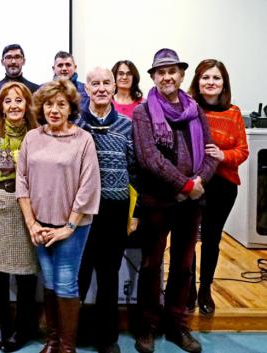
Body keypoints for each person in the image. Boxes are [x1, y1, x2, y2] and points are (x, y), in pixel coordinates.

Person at [132, 49, 218, 353]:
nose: (167, 77)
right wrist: (183, 184)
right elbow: (148, 158)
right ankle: (146, 326)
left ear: (181, 75)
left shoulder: (196, 110)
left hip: (192, 201)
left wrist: (199, 183)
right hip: (158, 201)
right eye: (161, 72)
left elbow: (211, 152)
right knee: (152, 264)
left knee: (183, 266)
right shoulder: (143, 113)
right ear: (154, 77)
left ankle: (176, 325)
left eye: (172, 71)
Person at [16, 79, 101, 353]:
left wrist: (68, 227)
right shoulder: (32, 137)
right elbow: (22, 182)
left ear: (71, 108)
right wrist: (31, 223)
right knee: (50, 281)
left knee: (66, 281)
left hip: (72, 227)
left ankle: (67, 347)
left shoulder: (83, 139)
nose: (54, 110)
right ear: (42, 107)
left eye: (61, 104)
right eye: (50, 104)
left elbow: (89, 185)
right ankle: (52, 342)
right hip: (39, 225)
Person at [0, 82, 39, 352]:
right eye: (8, 101)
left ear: (27, 104)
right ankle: (3, 325)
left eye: (19, 100)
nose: (13, 105)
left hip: (30, 207)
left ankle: (24, 327)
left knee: (26, 272)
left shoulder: (37, 134)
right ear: (0, 106)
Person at [76, 67, 136, 353]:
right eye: (94, 83)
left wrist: (134, 214)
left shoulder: (127, 125)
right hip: (82, 210)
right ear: (85, 88)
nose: (100, 88)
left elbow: (135, 169)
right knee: (80, 272)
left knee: (109, 273)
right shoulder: (75, 124)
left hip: (115, 208)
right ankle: (71, 332)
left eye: (106, 83)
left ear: (114, 87)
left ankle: (107, 337)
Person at [186, 59, 249, 316]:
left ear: (224, 83)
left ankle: (205, 289)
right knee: (187, 239)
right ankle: (187, 289)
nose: (210, 82)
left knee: (211, 240)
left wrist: (223, 156)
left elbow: (242, 150)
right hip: (192, 184)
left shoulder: (233, 112)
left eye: (216, 78)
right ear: (197, 82)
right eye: (205, 77)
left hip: (223, 186)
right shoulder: (187, 109)